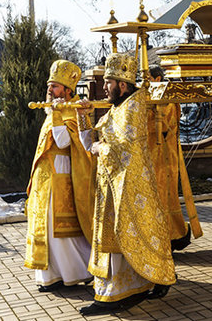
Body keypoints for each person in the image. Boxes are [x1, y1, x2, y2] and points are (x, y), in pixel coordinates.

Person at [77, 53, 176, 315]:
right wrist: (84, 117)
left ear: (122, 84)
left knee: (123, 238)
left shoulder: (132, 107)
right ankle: (124, 289)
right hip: (113, 185)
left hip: (127, 186)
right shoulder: (118, 108)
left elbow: (124, 149)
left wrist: (100, 147)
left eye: (108, 82)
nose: (104, 87)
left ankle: (113, 295)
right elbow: (92, 142)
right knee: (116, 241)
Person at [24, 60, 93, 293]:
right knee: (44, 226)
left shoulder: (72, 110)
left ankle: (78, 272)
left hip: (62, 178)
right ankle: (50, 275)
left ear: (67, 90)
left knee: (60, 231)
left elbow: (64, 142)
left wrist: (55, 115)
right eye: (49, 86)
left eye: (54, 86)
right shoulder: (52, 109)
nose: (50, 91)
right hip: (46, 178)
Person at [147, 65, 192, 251]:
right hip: (152, 153)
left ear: (157, 79)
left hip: (165, 154)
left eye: (147, 78)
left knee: (165, 195)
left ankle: (173, 235)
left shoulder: (168, 99)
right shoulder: (149, 97)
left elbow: (161, 125)